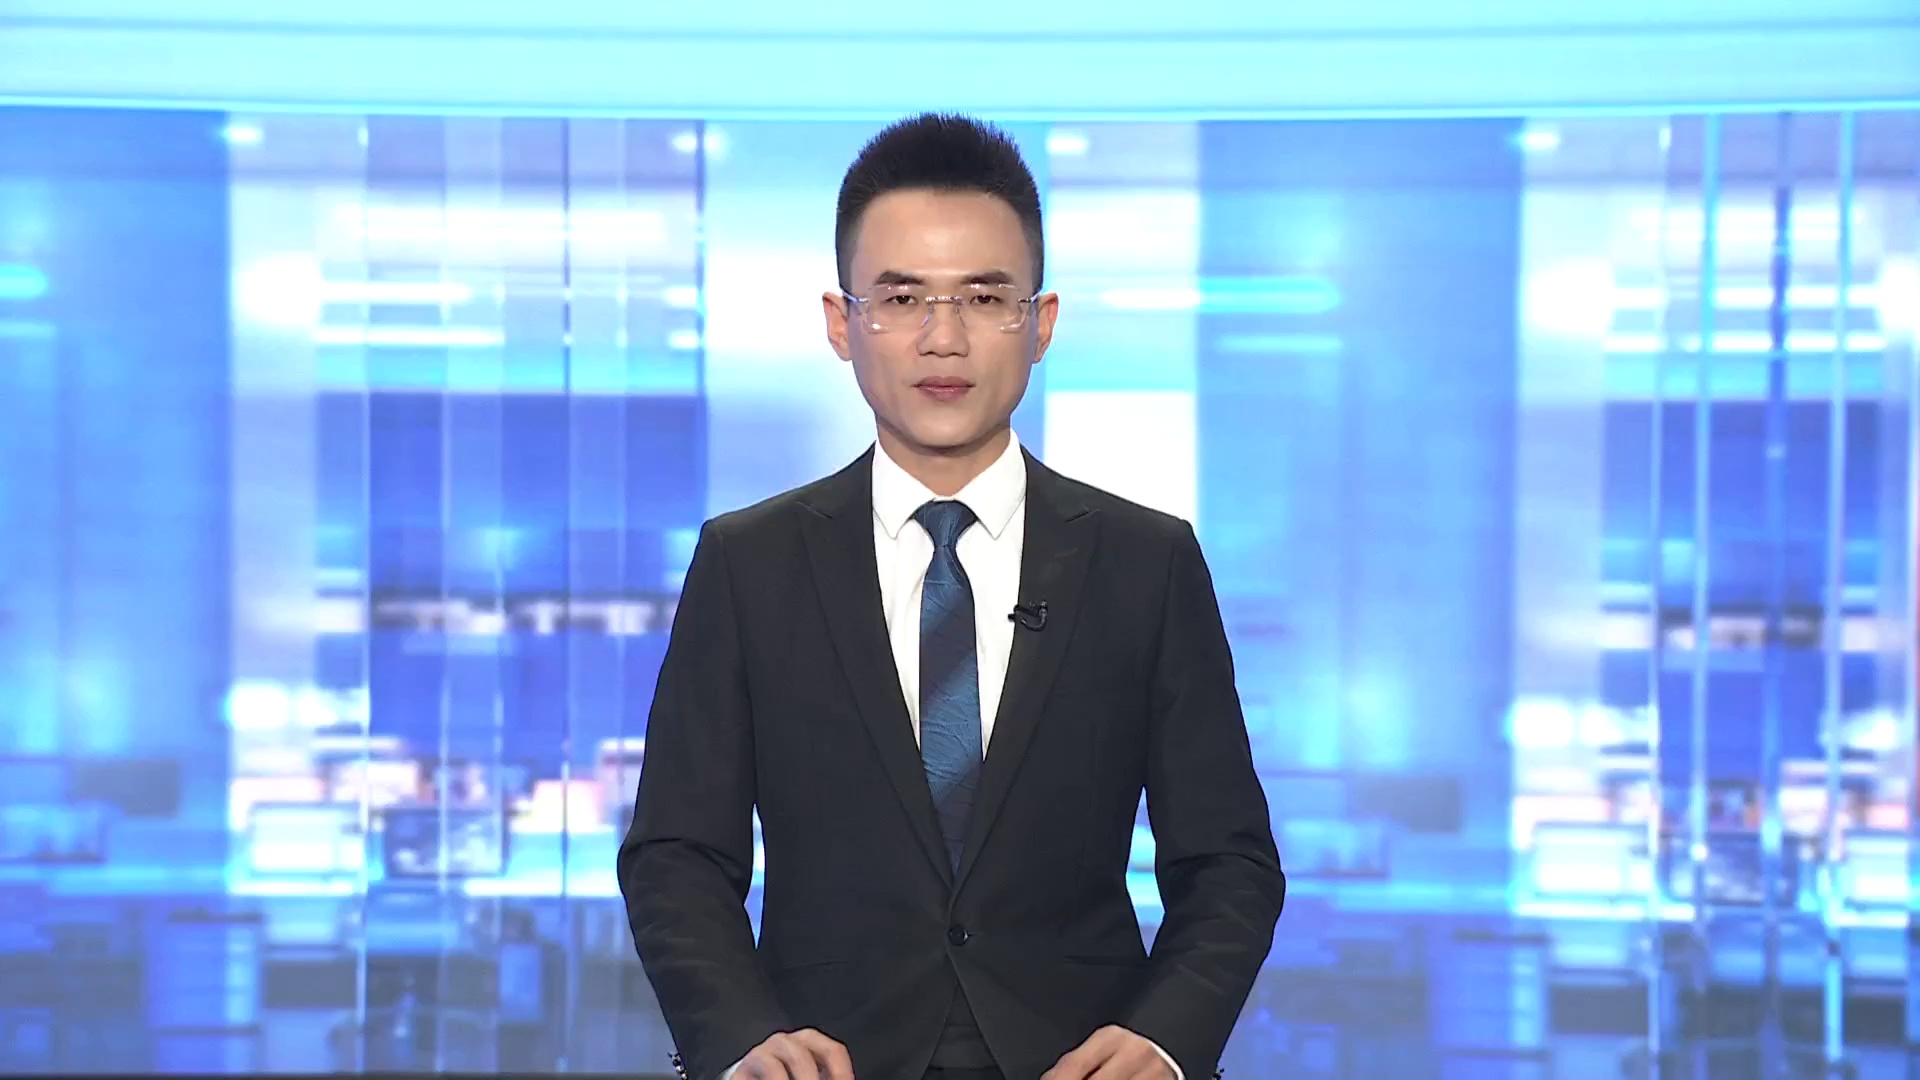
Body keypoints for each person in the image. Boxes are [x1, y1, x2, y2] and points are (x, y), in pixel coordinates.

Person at [619, 112, 1284, 1080]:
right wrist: (740, 1040)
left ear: (1040, 323)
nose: (943, 337)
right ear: (842, 324)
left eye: (983, 296)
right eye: (901, 298)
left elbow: (1229, 862)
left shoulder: (1148, 563)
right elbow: (675, 855)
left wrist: (1165, 1040)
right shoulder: (747, 564)